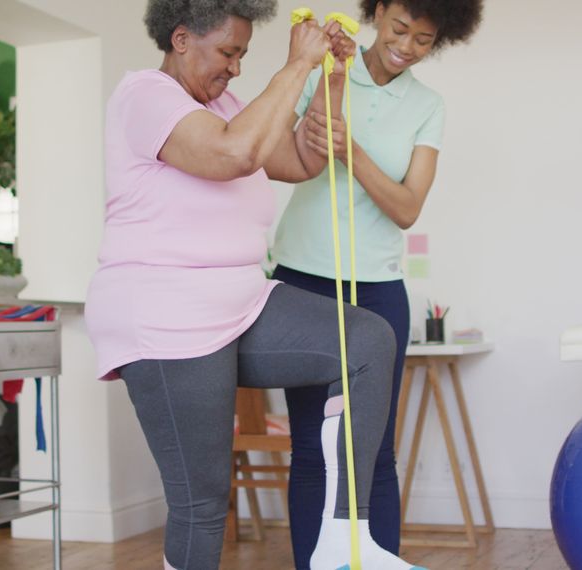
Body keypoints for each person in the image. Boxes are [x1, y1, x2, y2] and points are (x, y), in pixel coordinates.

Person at [84, 1, 426, 569]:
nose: (235, 68)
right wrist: (294, 64)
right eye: (228, 53)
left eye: (243, 54)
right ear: (181, 39)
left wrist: (331, 79)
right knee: (203, 501)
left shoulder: (225, 105)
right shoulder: (145, 96)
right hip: (166, 313)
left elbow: (301, 158)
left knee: (367, 341)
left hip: (242, 303)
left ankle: (343, 540)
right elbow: (231, 154)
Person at [271, 1, 485, 567]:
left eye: (423, 39)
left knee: (374, 452)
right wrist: (331, 81)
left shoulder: (426, 106)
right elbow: (283, 155)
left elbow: (408, 207)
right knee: (313, 451)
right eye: (398, 28)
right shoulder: (326, 68)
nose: (406, 45)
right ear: (379, 11)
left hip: (379, 289)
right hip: (302, 283)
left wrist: (354, 151)